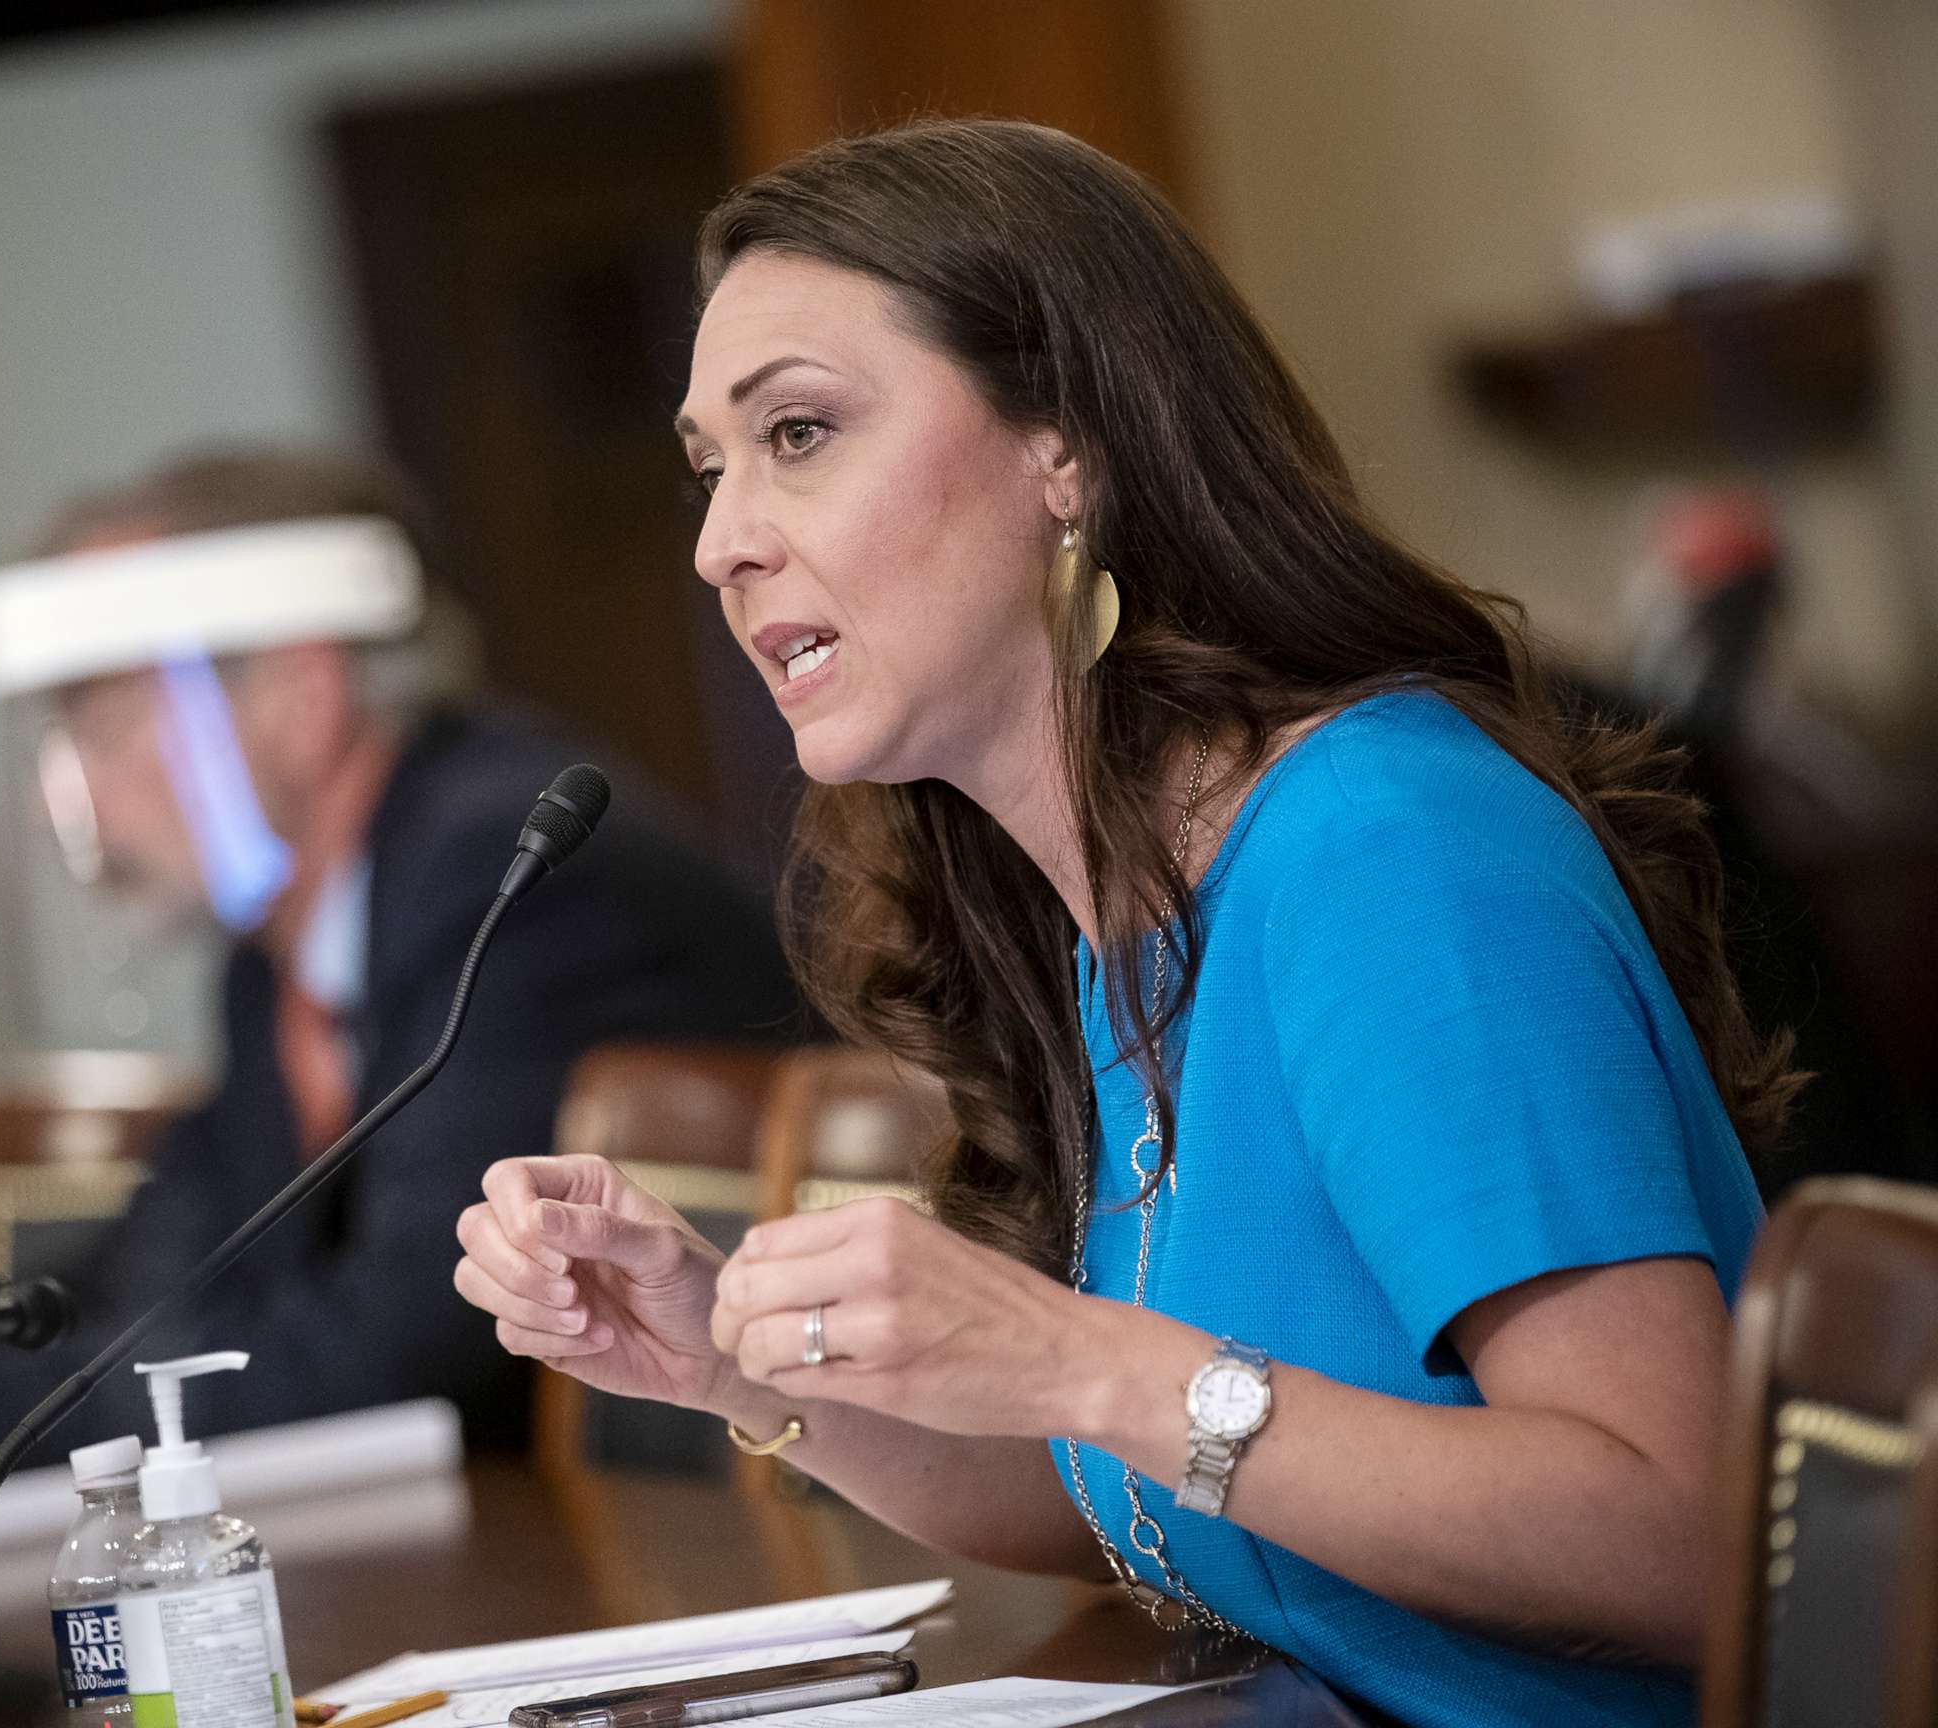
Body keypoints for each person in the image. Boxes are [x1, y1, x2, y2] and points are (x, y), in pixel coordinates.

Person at [452, 120, 1789, 1728]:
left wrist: (1084, 1356)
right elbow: (1153, 1489)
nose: (718, 540)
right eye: (710, 467)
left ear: (1066, 449)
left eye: (796, 432)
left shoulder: (1385, 852)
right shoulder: (1114, 909)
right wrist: (732, 1362)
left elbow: (1679, 1533)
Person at [0, 448, 801, 1499]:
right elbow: (169, 1276)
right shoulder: (276, 952)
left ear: (300, 697)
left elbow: (407, 1348)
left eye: (102, 722)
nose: (65, 793)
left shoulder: (512, 880)